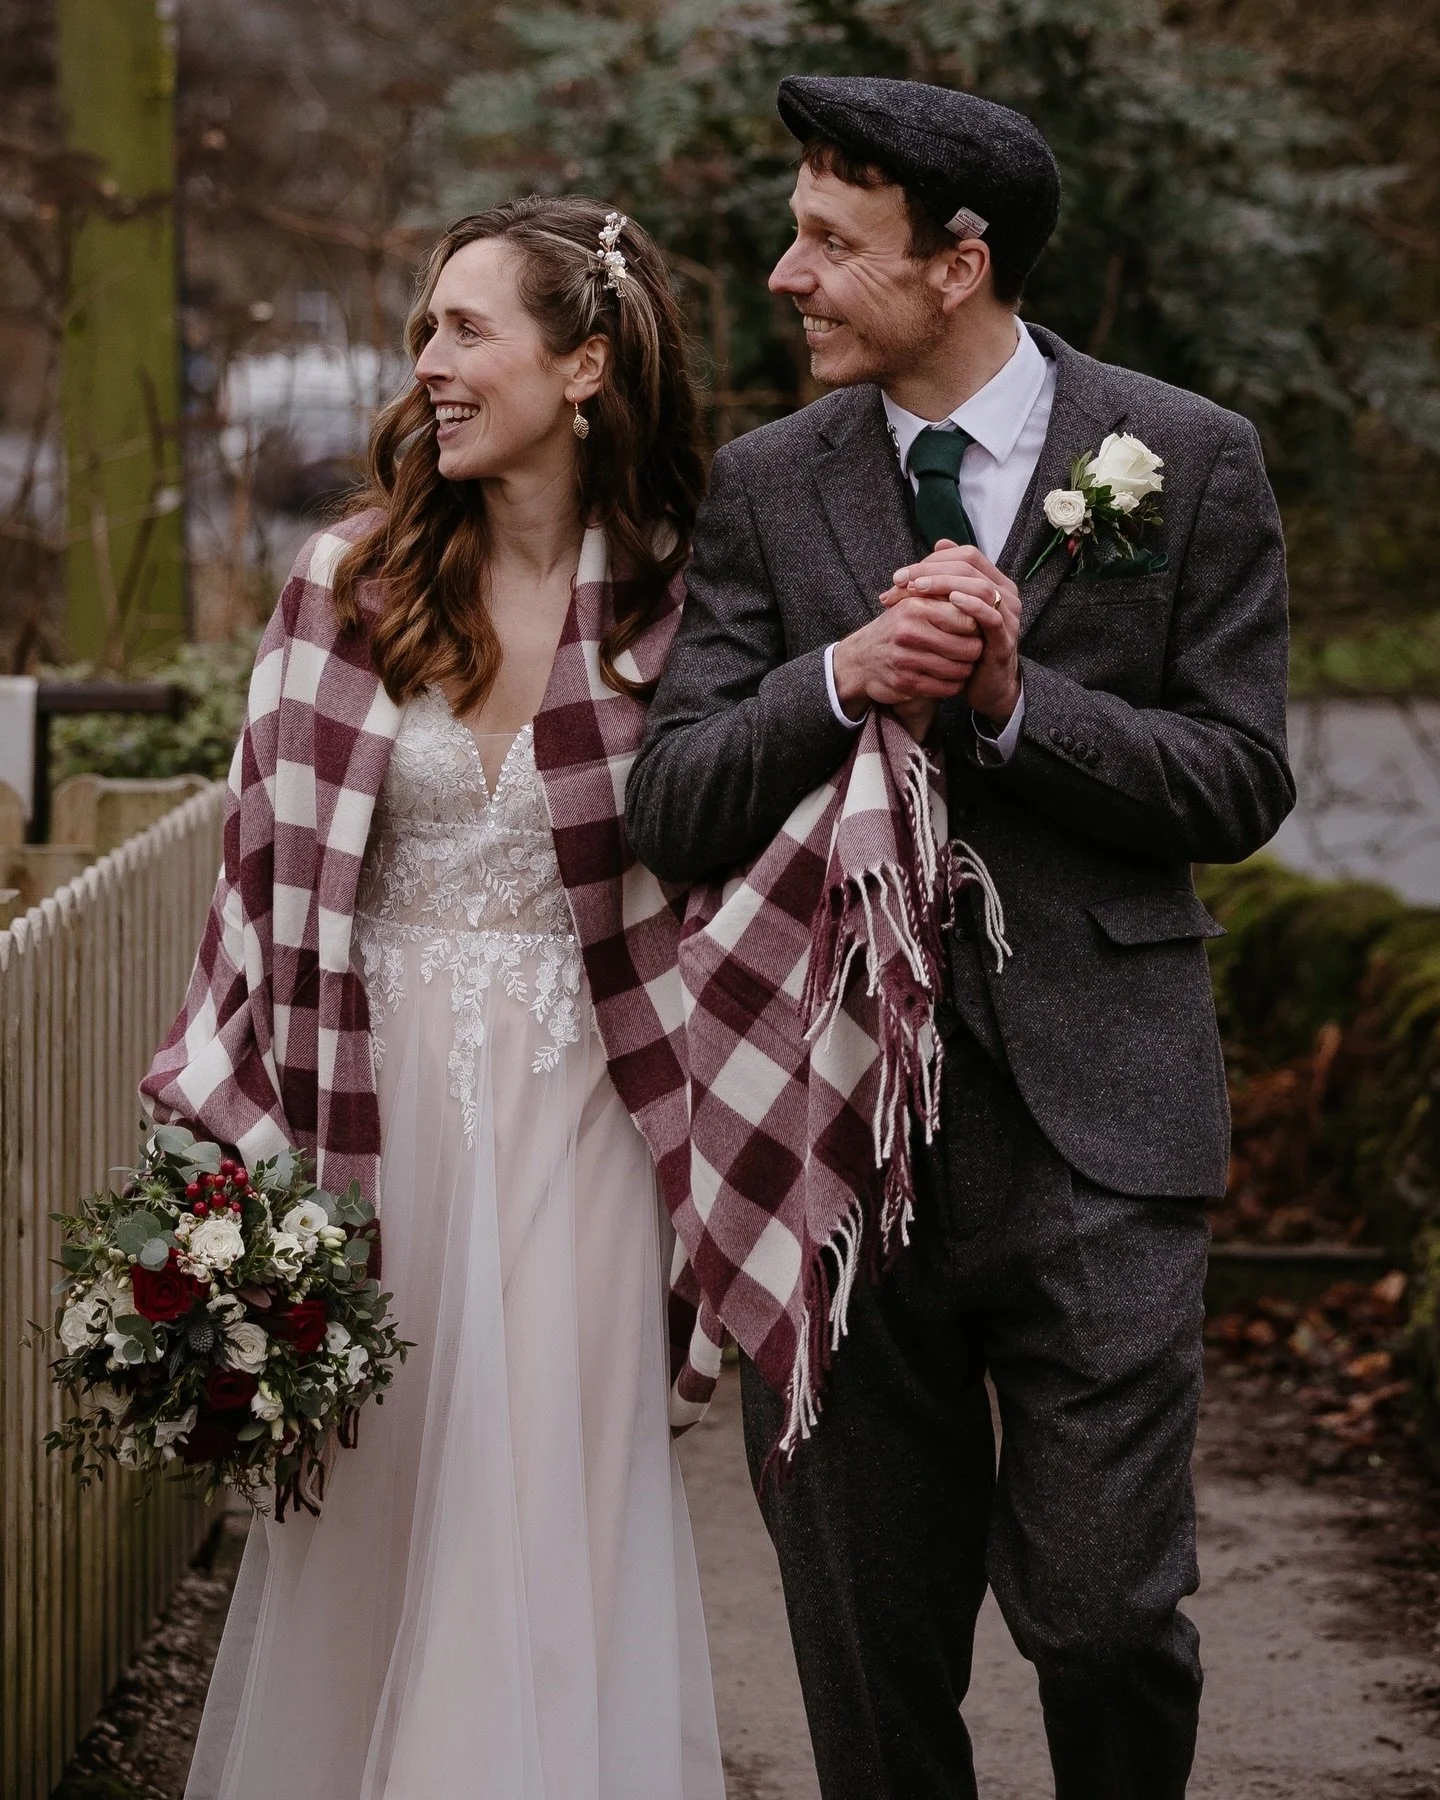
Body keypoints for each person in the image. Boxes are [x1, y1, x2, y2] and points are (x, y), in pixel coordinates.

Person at [626, 74, 1295, 1800]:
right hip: (830, 1132)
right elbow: (677, 799)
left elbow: (1236, 779)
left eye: (832, 244)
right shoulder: (772, 487)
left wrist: (1012, 702)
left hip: (1102, 1126)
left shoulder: (1184, 456)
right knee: (867, 1643)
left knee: (1102, 1612)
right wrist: (841, 677)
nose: (788, 275)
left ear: (959, 265)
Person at [143, 197, 725, 1800]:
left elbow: (735, 883)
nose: (431, 364)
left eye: (468, 328)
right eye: (425, 332)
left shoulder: (683, 611)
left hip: (588, 1114)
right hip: (374, 1114)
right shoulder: (348, 583)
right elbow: (256, 886)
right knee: (386, 1511)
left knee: (548, 1503)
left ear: (587, 361)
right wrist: (232, 1165)